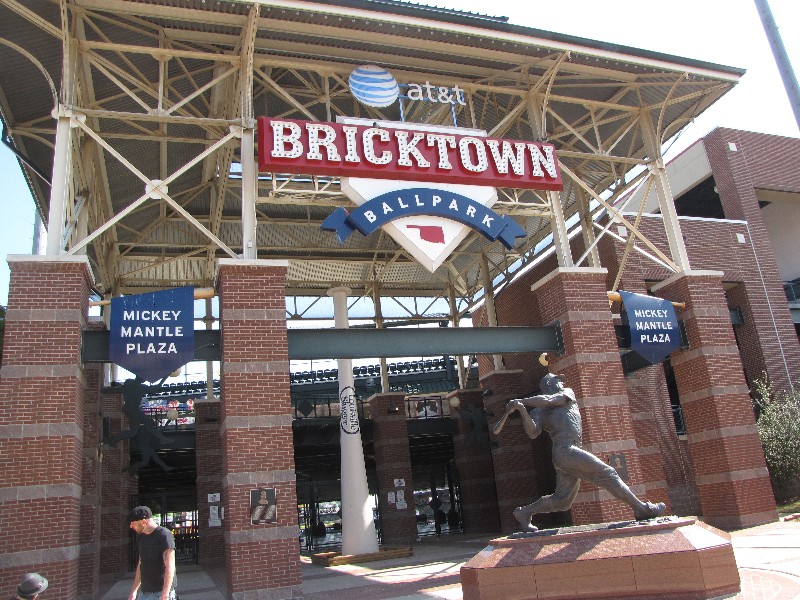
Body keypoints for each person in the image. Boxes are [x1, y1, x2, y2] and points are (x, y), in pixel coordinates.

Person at [492, 373, 666, 532]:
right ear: (550, 383)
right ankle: (641, 509)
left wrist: (523, 401)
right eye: (558, 380)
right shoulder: (539, 412)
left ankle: (524, 513)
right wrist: (522, 410)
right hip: (564, 451)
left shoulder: (566, 394)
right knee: (609, 473)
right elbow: (532, 433)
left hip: (571, 451)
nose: (562, 382)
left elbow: (551, 400)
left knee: (562, 501)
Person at [127, 506, 177, 600]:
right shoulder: (141, 537)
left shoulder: (164, 535)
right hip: (144, 593)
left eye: (133, 523)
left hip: (160, 593)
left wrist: (165, 594)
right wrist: (134, 591)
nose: (131, 526)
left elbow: (170, 565)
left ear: (143, 522)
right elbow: (141, 564)